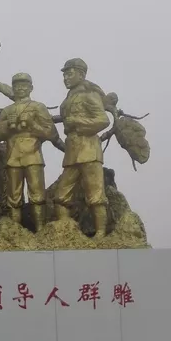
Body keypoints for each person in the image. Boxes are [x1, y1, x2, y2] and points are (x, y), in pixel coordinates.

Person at [0, 72, 59, 231]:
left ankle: (41, 229)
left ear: (31, 88)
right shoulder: (7, 111)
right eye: (16, 86)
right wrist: (8, 125)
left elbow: (51, 133)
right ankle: (16, 230)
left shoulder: (38, 107)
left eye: (24, 85)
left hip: (33, 155)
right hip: (13, 156)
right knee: (13, 196)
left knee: (37, 195)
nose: (20, 89)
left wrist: (32, 125)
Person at [53, 58, 111, 238]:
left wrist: (77, 121)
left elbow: (103, 120)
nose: (65, 78)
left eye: (69, 74)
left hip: (89, 151)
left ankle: (101, 232)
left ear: (81, 74)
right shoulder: (68, 99)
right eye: (64, 75)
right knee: (62, 194)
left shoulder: (89, 95)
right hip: (72, 152)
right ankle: (64, 230)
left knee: (95, 194)